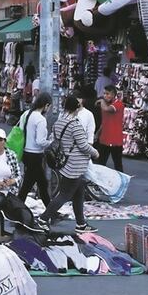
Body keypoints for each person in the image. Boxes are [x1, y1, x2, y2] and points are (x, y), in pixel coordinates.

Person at [33, 95, 100, 233]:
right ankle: (43, 219)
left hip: (66, 162)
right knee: (64, 195)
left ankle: (81, 223)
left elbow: (55, 139)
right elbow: (83, 145)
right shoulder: (75, 125)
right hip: (75, 165)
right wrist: (95, 152)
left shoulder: (59, 122)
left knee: (79, 191)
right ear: (76, 108)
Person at [16, 92, 53, 206]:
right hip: (36, 155)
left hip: (25, 152)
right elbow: (40, 141)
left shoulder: (26, 114)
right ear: (46, 105)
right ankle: (16, 209)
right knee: (31, 185)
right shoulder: (41, 119)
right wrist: (51, 141)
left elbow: (20, 130)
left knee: (39, 184)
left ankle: (50, 211)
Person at [96, 85, 126, 172]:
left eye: (107, 94)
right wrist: (98, 133)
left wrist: (101, 101)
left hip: (115, 140)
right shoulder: (105, 104)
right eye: (104, 93)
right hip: (104, 139)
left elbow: (106, 109)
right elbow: (104, 122)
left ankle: (121, 183)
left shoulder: (118, 104)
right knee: (101, 163)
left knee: (117, 164)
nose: (105, 96)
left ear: (113, 94)